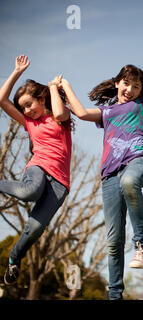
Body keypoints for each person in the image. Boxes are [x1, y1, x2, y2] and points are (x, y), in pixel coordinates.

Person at [60, 52, 143, 300]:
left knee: (130, 182)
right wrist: (65, 86)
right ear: (117, 83)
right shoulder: (107, 111)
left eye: (136, 86)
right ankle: (115, 295)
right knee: (113, 240)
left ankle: (141, 246)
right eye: (126, 83)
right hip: (109, 175)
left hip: (138, 161)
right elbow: (79, 112)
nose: (130, 89)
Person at [0, 55, 73, 285]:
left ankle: (14, 259)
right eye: (23, 108)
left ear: (42, 99)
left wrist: (52, 87)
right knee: (28, 192)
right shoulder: (29, 124)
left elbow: (60, 113)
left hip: (60, 182)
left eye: (30, 104)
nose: (27, 111)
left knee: (35, 229)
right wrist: (16, 72)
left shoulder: (61, 117)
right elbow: (2, 100)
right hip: (38, 167)